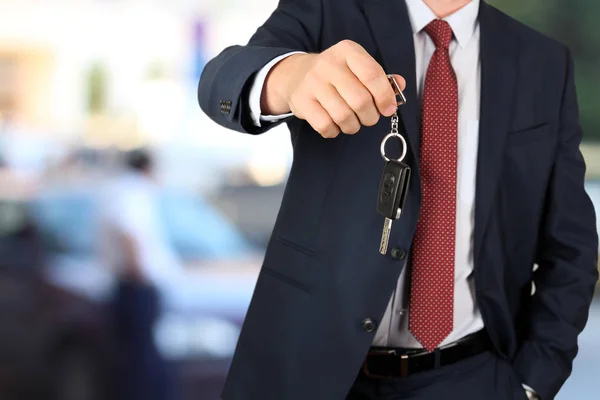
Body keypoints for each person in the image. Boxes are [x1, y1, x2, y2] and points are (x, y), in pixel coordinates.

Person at [197, 0, 599, 399]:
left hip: (474, 377)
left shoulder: (542, 61)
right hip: (310, 367)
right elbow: (221, 79)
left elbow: (571, 247)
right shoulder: (329, 10)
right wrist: (289, 76)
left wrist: (532, 383)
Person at [97, 149, 177, 400]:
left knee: (135, 356)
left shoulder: (120, 190)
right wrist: (140, 275)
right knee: (140, 360)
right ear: (147, 168)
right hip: (136, 286)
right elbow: (129, 234)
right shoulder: (132, 192)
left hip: (132, 284)